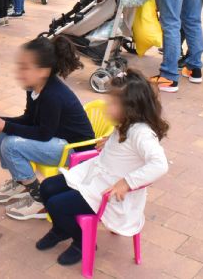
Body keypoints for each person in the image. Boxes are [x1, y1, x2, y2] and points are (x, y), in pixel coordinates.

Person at [36, 69, 169, 267]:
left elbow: (160, 164)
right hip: (96, 176)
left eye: (113, 103)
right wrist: (110, 141)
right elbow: (127, 149)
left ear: (130, 108)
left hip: (109, 192)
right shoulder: (126, 123)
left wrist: (127, 183)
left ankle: (82, 242)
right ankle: (61, 229)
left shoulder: (141, 132)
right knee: (46, 187)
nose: (108, 106)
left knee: (57, 204)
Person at [0, 36, 95, 221]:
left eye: (25, 67)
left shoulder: (53, 94)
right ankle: (21, 182)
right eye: (20, 65)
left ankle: (40, 199)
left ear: (43, 71)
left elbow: (43, 134)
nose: (19, 71)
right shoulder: (34, 87)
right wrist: (4, 122)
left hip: (75, 151)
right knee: (4, 133)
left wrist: (7, 126)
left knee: (11, 144)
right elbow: (30, 118)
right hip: (57, 139)